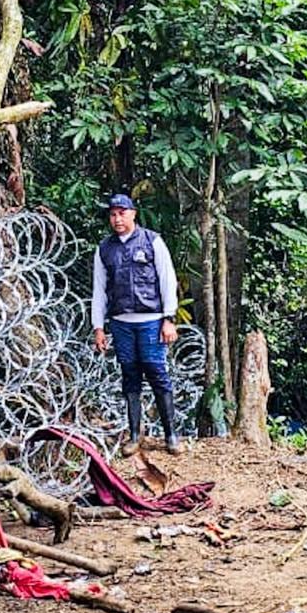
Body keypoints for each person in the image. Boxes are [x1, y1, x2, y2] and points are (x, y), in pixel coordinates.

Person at [91, 193, 182, 455]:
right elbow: (99, 290)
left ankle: (171, 435)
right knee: (129, 376)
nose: (117, 218)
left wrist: (169, 318)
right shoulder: (105, 249)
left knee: (157, 374)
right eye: (113, 214)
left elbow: (167, 279)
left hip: (151, 321)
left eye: (122, 213)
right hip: (121, 323)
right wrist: (99, 327)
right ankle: (133, 436)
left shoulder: (152, 241)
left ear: (133, 214)